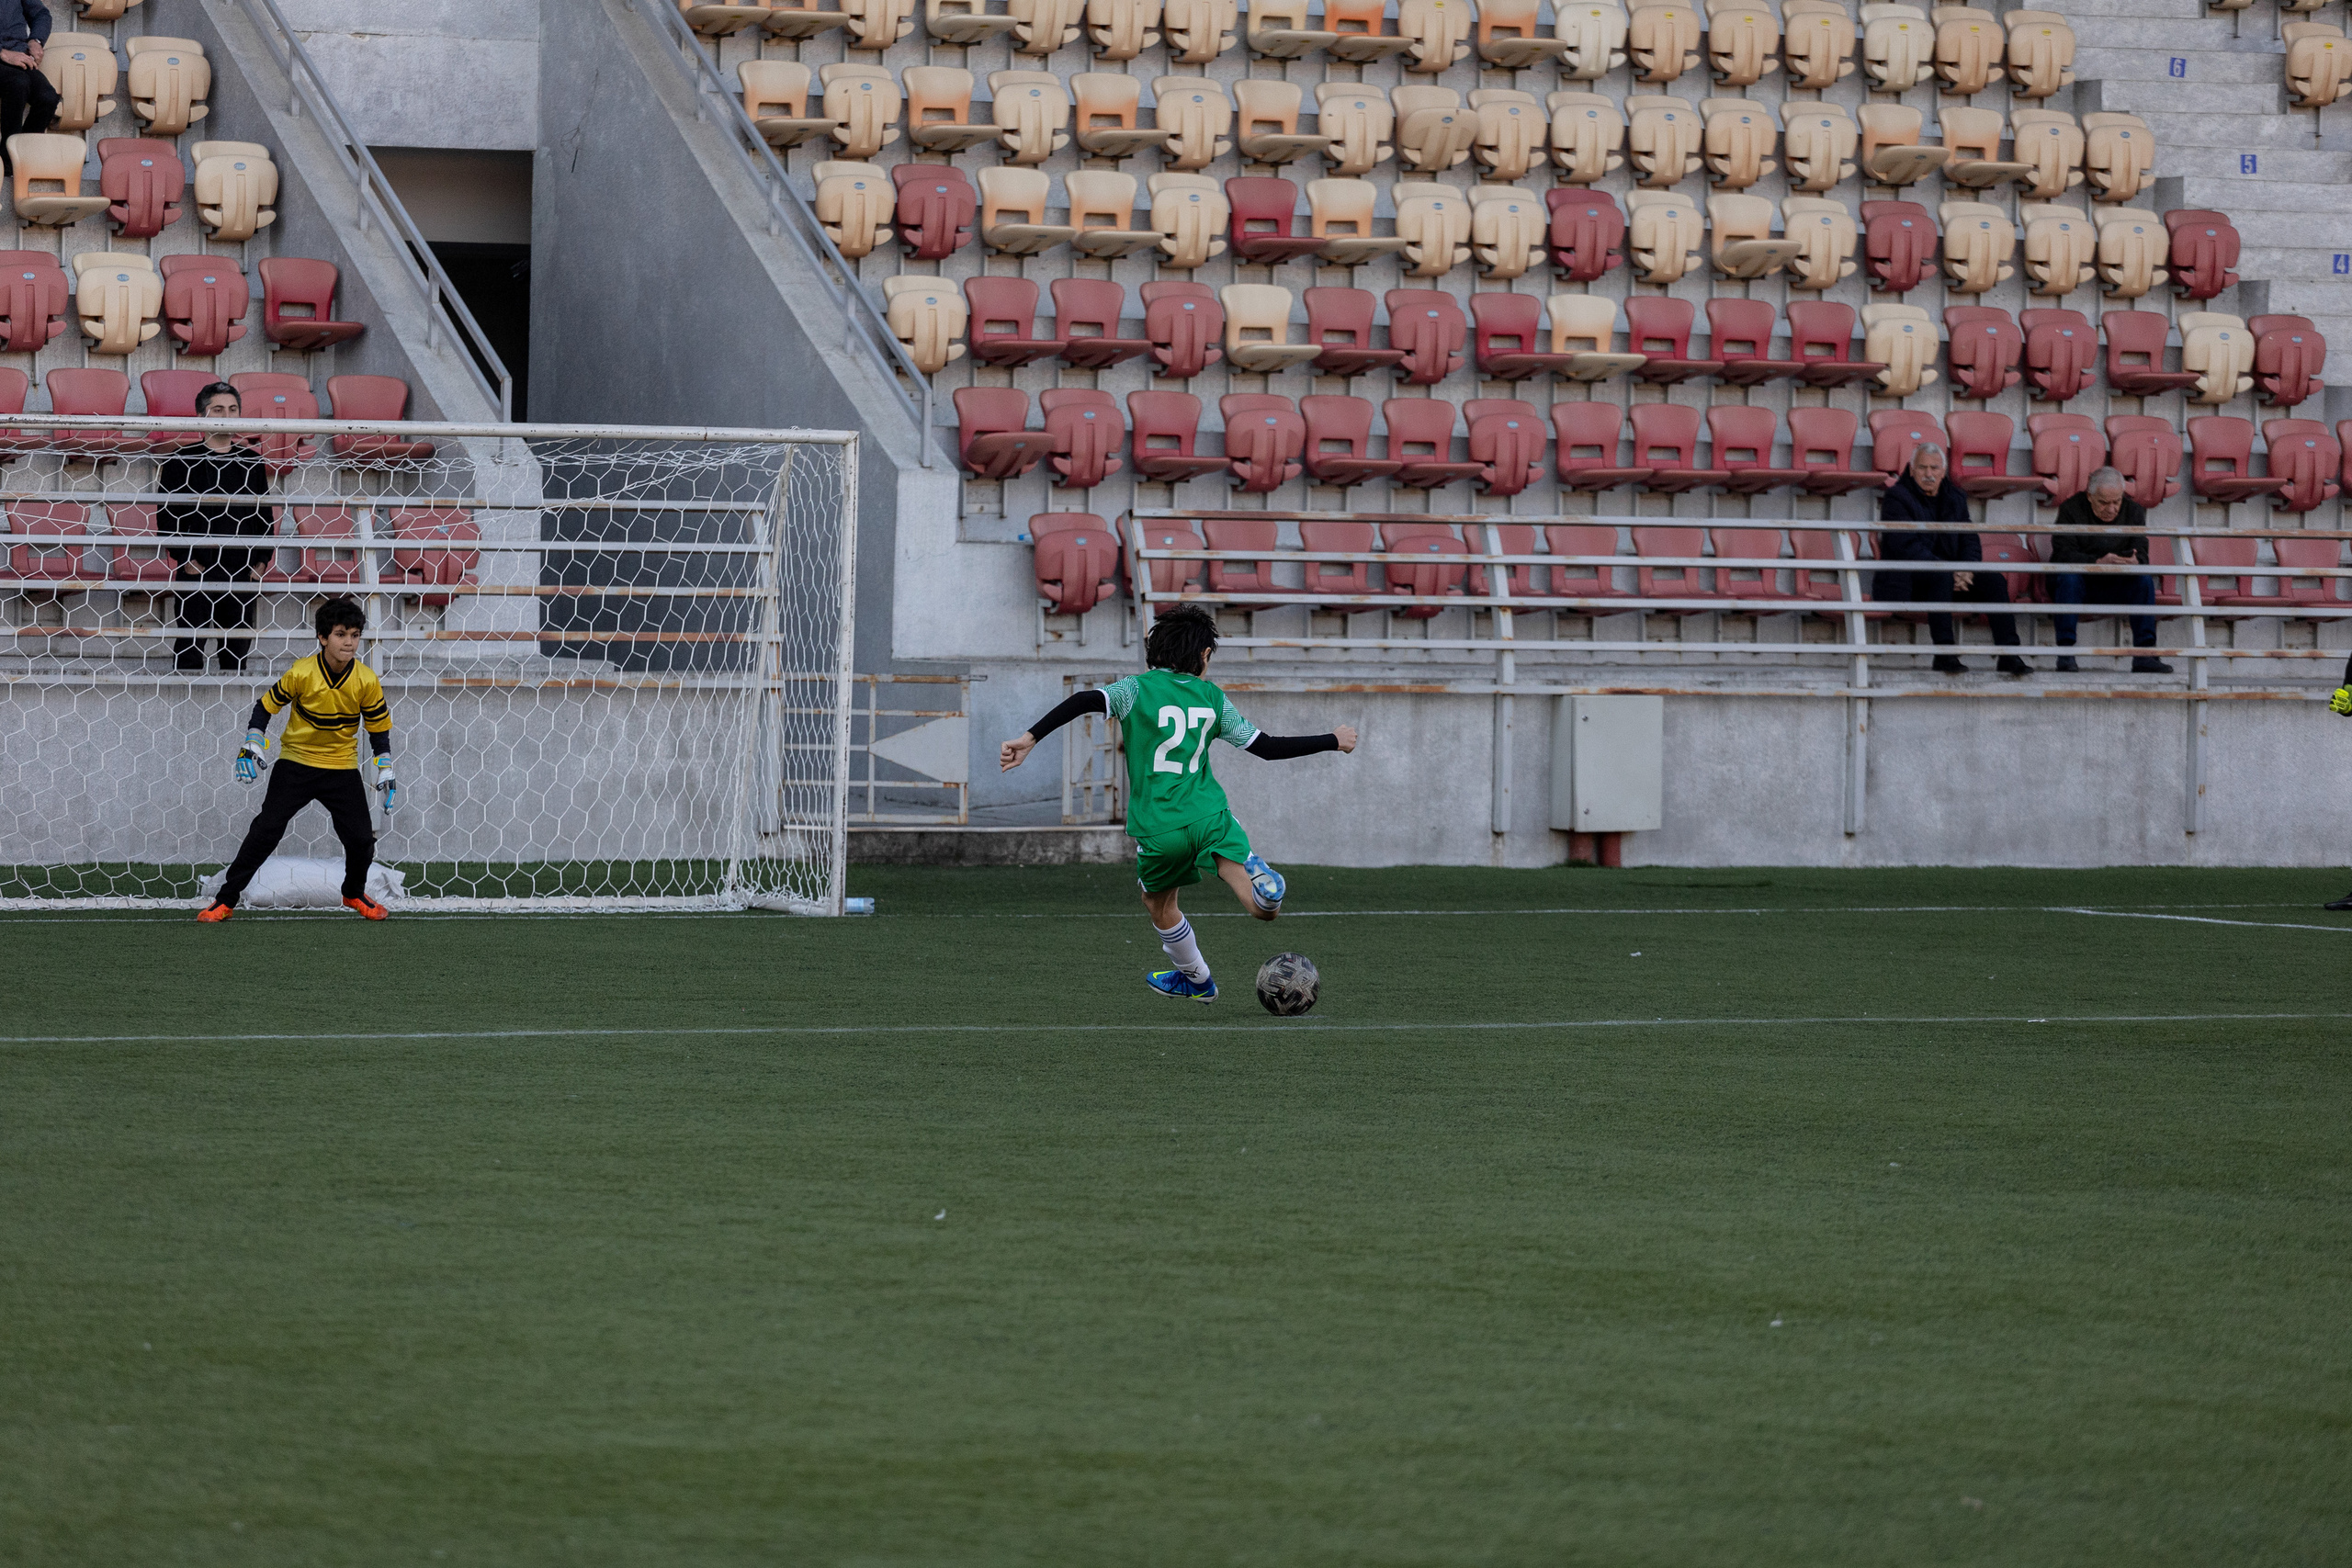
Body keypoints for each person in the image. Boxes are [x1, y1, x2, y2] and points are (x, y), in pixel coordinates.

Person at [998, 604, 1357, 1002]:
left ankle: (1197, 980)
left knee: (1157, 901)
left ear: (1155, 649)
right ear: (1204, 655)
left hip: (1159, 827)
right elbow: (1267, 748)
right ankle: (1261, 881)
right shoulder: (1213, 700)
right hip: (1209, 816)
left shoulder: (1133, 689)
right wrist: (1332, 739)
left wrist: (1030, 738)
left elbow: (1083, 700)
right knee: (1260, 909)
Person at [198, 596, 399, 922]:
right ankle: (225, 900)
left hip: (341, 767)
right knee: (265, 830)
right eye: (340, 634)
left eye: (354, 635)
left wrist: (386, 766)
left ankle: (353, 893)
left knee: (362, 839)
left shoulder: (366, 680)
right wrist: (253, 740)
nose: (349, 642)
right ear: (322, 637)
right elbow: (265, 706)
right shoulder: (302, 672)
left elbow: (378, 728)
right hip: (296, 763)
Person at [1875, 445, 2030, 677]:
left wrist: (1966, 570)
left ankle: (2009, 655)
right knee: (1940, 578)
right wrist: (1948, 571)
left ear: (1943, 471)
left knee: (1995, 581)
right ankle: (1944, 654)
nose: (1929, 474)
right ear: (1912, 470)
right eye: (1922, 468)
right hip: (1909, 582)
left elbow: (1969, 540)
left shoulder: (1955, 497)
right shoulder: (1897, 498)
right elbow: (1905, 546)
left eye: (1934, 468)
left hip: (1950, 578)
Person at [160, 381, 273, 673]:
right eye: (219, 409)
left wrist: (261, 561)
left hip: (241, 568)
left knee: (235, 652)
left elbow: (264, 515)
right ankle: (182, 712)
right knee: (189, 649)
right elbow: (167, 516)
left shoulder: (251, 461)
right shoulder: (180, 461)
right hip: (197, 567)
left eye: (233, 409)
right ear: (202, 415)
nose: (227, 415)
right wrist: (186, 559)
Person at [2049, 467, 2173, 675]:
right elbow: (2062, 553)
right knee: (2068, 579)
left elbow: (2142, 551)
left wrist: (2135, 561)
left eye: (2117, 501)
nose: (2112, 509)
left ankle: (2145, 655)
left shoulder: (2133, 510)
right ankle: (2065, 653)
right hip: (2082, 581)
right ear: (2090, 496)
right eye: (2104, 503)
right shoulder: (2071, 509)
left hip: (2116, 582)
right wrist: (2096, 562)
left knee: (2143, 580)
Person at [0, 0, 56, 176]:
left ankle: (24, 152)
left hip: (18, 54)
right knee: (18, 83)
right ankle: (7, 158)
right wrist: (2, 52)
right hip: (4, 56)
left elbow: (41, 14)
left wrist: (35, 40)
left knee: (48, 97)